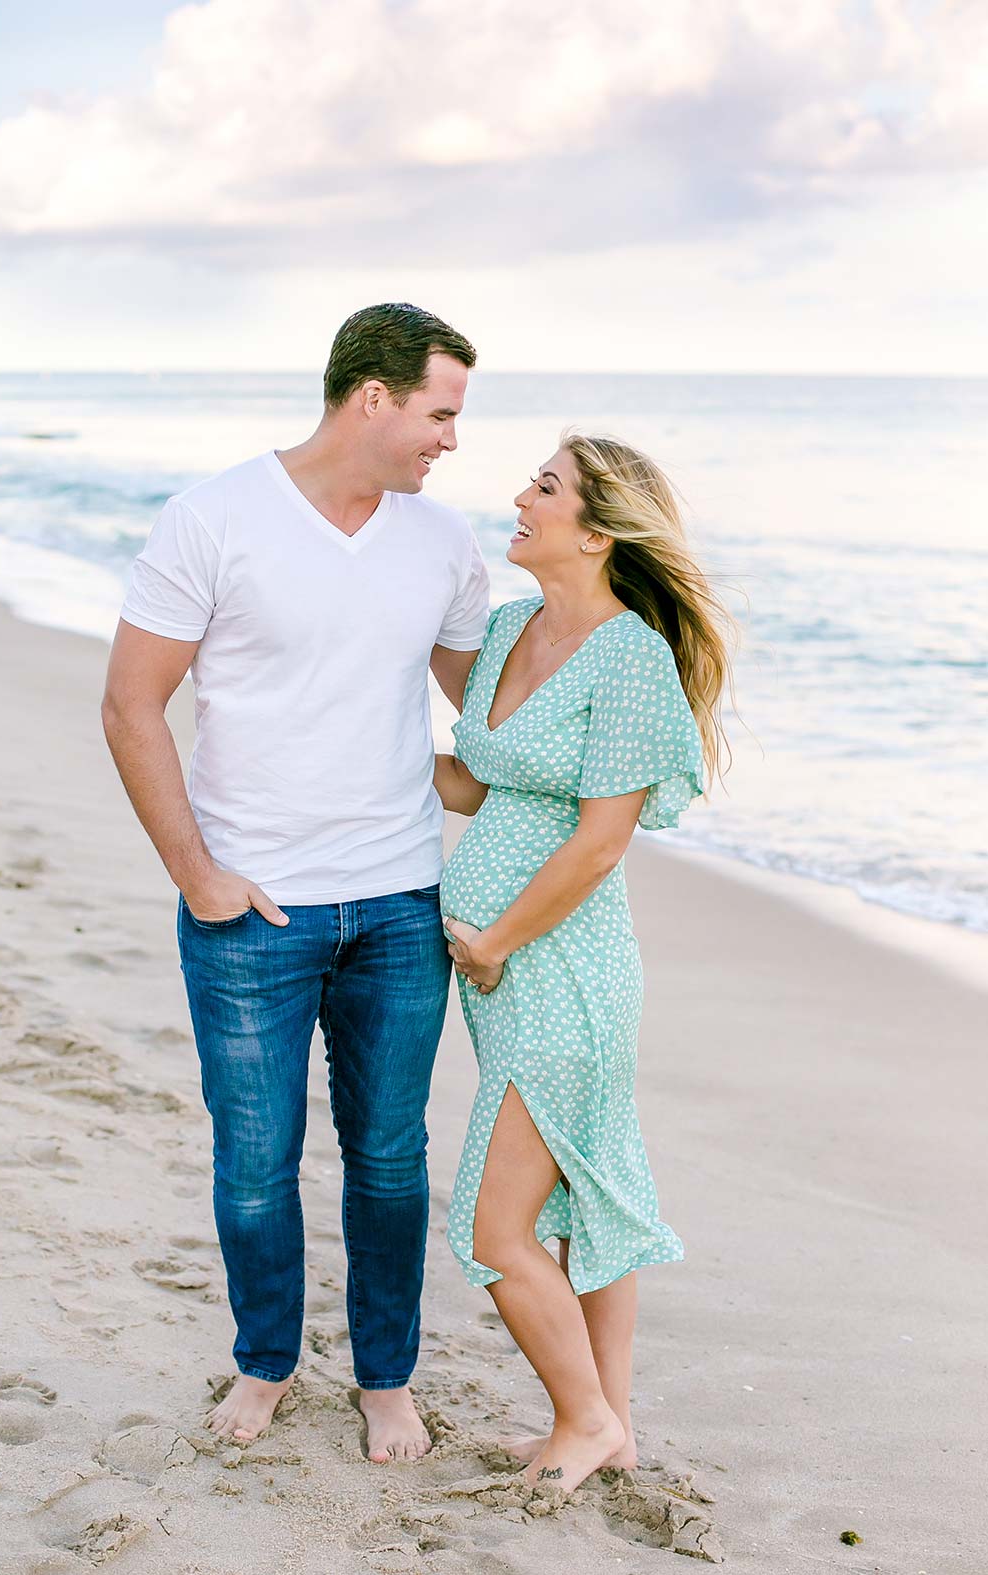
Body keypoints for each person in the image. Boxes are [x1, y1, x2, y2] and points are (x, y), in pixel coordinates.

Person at [101, 303, 489, 1460]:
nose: (451, 440)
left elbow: (494, 722)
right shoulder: (213, 519)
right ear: (372, 398)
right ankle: (265, 1362)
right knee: (256, 1165)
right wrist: (200, 875)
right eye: (440, 413)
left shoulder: (443, 540)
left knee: (389, 1157)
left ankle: (385, 1378)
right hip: (251, 911)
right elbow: (131, 705)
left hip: (398, 901)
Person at [433, 432, 734, 1494]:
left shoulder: (633, 656)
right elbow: (474, 786)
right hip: (502, 975)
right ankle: (612, 1426)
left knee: (494, 1229)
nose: (520, 497)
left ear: (598, 529)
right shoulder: (513, 626)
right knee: (588, 1196)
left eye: (546, 488)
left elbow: (602, 839)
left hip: (559, 971)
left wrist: (494, 942)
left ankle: (583, 1421)